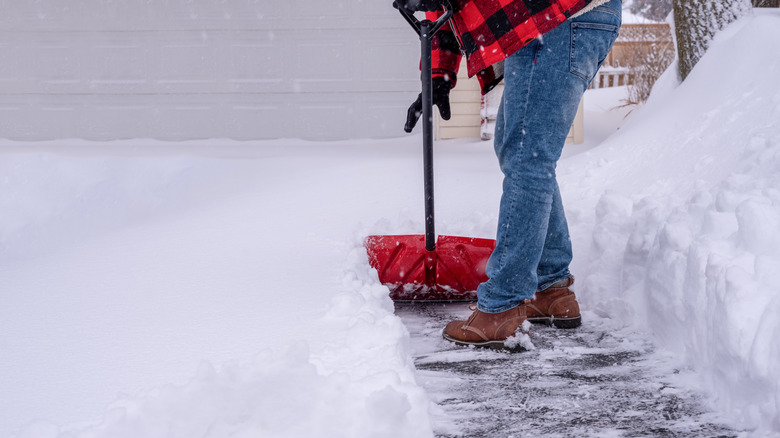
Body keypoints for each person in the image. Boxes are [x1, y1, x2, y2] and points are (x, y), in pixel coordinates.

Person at [394, 0, 621, 349]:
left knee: (528, 159)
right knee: (523, 151)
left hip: (557, 17)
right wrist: (438, 75)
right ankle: (551, 290)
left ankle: (503, 305)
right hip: (559, 18)